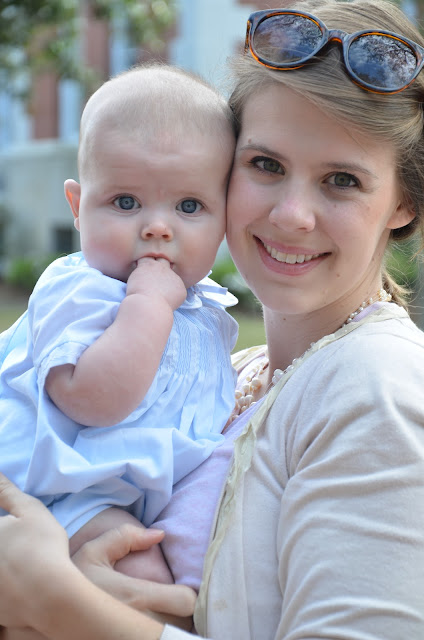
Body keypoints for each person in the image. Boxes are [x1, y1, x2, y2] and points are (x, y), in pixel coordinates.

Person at [1, 0, 424, 638]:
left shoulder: (377, 390)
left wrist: (58, 603)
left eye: (342, 180)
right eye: (266, 165)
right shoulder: (230, 371)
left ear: (403, 202)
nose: (291, 215)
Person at [0, 63, 238, 590]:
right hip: (51, 490)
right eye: (125, 202)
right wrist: (147, 305)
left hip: (123, 493)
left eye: (190, 205)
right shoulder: (80, 290)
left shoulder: (203, 309)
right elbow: (89, 399)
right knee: (143, 577)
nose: (157, 227)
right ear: (77, 207)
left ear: (226, 216)